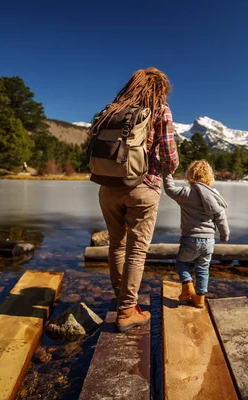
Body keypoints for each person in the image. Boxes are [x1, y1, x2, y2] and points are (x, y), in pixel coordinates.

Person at [93, 68, 179, 332]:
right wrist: (169, 168)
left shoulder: (112, 109)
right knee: (137, 250)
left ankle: (123, 302)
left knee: (116, 245)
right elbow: (170, 157)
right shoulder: (160, 110)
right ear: (161, 89)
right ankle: (127, 311)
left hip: (108, 187)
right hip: (143, 187)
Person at [163, 160, 229, 307]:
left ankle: (187, 287)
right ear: (210, 177)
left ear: (189, 176)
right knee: (203, 268)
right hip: (209, 241)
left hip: (190, 239)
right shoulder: (215, 195)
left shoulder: (186, 193)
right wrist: (224, 235)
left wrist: (166, 170)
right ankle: (200, 299)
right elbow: (221, 217)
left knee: (181, 262)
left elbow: (169, 188)